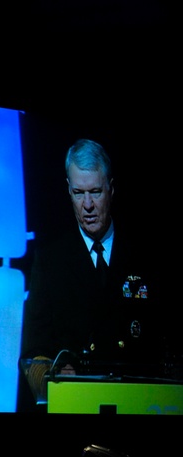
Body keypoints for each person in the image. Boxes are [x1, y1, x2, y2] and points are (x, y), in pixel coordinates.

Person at [20, 138, 166, 405]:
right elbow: (33, 352)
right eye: (78, 193)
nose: (87, 205)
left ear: (111, 189)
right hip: (75, 406)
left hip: (139, 406)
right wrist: (54, 377)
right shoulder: (50, 262)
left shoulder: (146, 257)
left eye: (95, 192)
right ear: (68, 190)